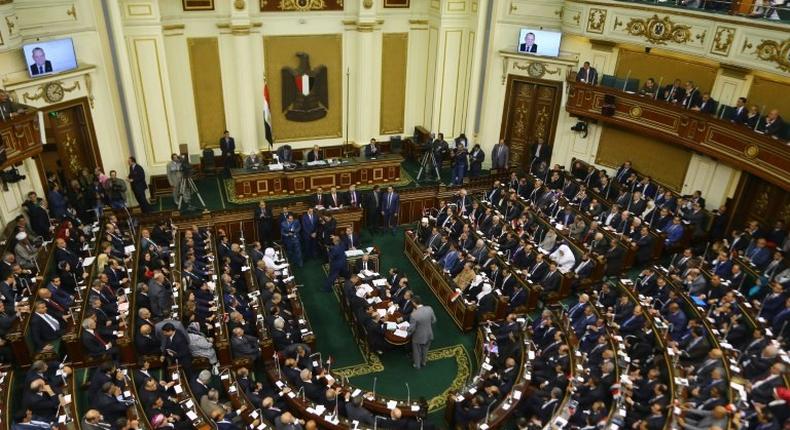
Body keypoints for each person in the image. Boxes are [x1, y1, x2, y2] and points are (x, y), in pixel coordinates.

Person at [407, 295, 436, 369]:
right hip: (429, 334)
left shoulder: (414, 315)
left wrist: (407, 333)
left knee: (417, 352)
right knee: (425, 350)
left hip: (418, 337)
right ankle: (423, 362)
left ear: (414, 303)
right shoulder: (429, 308)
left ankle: (417, 365)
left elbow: (412, 329)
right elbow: (434, 320)